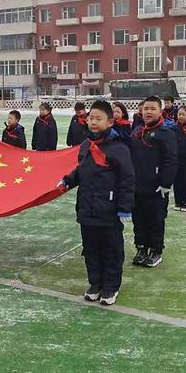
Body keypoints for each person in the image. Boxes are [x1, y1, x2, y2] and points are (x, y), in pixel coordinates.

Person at [59, 100, 134, 306]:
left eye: (98, 119)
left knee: (111, 250)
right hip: (87, 208)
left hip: (109, 212)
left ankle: (111, 287)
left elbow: (127, 180)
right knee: (90, 249)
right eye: (91, 118)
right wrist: (68, 180)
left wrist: (124, 208)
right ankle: (95, 284)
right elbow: (82, 170)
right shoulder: (86, 145)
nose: (93, 122)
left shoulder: (119, 148)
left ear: (110, 122)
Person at [130, 96, 177, 267]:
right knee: (139, 219)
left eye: (152, 109)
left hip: (156, 188)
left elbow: (171, 160)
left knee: (155, 219)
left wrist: (166, 183)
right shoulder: (136, 132)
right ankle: (141, 248)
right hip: (137, 186)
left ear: (160, 111)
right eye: (146, 109)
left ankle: (156, 250)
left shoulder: (167, 134)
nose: (148, 112)